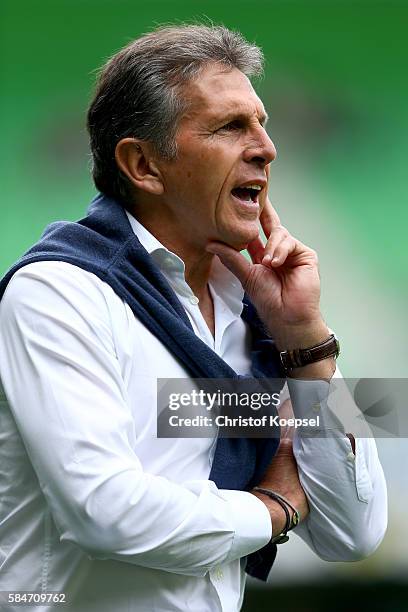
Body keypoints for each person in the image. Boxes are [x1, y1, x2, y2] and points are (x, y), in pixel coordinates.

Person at [0, 24, 387, 612]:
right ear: (144, 165)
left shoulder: (260, 313)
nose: (266, 146)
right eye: (231, 127)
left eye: (262, 122)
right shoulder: (58, 295)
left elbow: (351, 532)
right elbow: (106, 512)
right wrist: (272, 509)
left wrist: (307, 344)